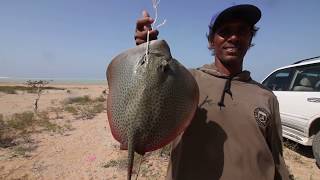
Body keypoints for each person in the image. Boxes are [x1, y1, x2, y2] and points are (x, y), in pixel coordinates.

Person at [134, 4, 290, 180]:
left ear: (250, 38)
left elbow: (277, 159)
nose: (233, 37)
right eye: (225, 31)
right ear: (211, 41)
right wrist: (145, 51)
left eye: (242, 31)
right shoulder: (186, 80)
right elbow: (148, 101)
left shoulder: (266, 96)